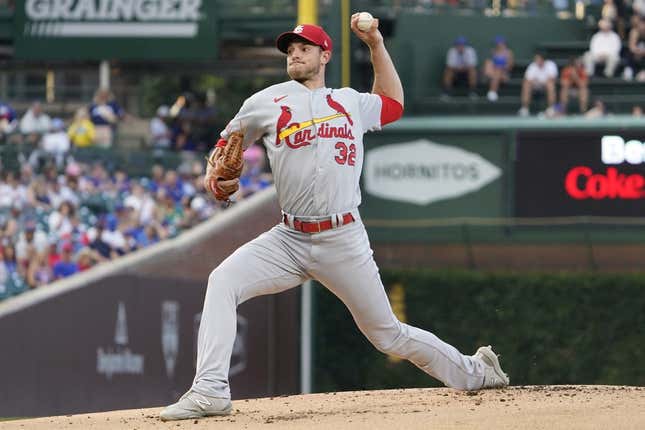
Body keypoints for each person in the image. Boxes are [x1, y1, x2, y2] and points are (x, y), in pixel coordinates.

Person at [159, 17, 509, 422]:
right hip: (288, 239)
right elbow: (225, 149)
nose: (294, 54)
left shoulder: (350, 102)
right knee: (223, 281)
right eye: (290, 50)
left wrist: (376, 43)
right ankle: (211, 389)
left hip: (343, 237)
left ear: (325, 55)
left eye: (304, 48)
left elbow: (393, 104)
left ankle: (477, 373)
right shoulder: (264, 102)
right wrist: (214, 177)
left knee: (387, 334)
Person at [518, 52, 558, 117]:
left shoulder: (551, 64)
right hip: (535, 86)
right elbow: (528, 79)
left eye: (538, 59)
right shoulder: (532, 65)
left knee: (550, 85)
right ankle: (525, 109)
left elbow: (552, 79)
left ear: (542, 59)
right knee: (526, 85)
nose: (536, 60)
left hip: (546, 85)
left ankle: (551, 109)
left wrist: (539, 81)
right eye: (536, 59)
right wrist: (537, 82)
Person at [483, 35, 514, 102]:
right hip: (492, 73)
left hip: (504, 75)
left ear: (503, 43)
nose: (498, 44)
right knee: (489, 63)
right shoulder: (493, 52)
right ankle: (492, 92)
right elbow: (489, 65)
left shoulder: (509, 53)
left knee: (498, 71)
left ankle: (492, 92)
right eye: (497, 43)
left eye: (500, 43)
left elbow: (510, 67)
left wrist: (502, 67)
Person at [624, 15, 645, 81]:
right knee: (630, 54)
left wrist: (642, 52)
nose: (642, 26)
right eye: (640, 24)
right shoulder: (634, 32)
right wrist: (638, 52)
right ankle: (630, 70)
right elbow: (632, 47)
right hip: (635, 57)